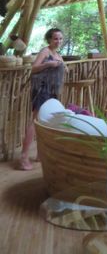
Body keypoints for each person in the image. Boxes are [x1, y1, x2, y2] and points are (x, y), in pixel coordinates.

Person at [18, 28, 66, 170]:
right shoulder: (45, 51)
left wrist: (63, 67)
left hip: (52, 90)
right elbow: (34, 68)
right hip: (41, 89)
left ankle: (40, 154)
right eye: (55, 38)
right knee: (35, 121)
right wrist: (48, 64)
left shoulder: (57, 54)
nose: (58, 41)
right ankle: (23, 157)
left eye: (60, 39)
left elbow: (64, 67)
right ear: (49, 39)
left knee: (45, 121)